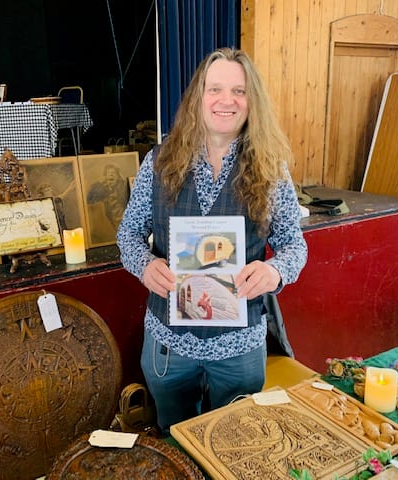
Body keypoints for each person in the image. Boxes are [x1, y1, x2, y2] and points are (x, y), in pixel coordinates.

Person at [116, 47, 307, 435]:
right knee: (175, 439)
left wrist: (274, 272)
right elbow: (128, 235)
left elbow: (294, 245)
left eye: (239, 91)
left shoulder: (271, 170)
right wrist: (144, 265)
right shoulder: (159, 162)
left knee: (235, 442)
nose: (226, 100)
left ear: (252, 101)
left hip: (239, 347)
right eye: (215, 89)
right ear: (197, 98)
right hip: (168, 345)